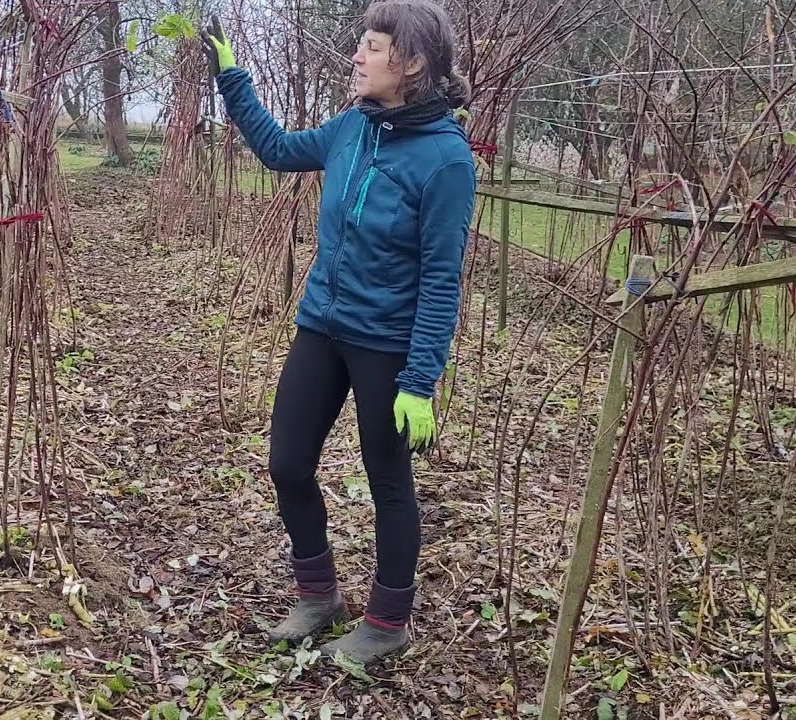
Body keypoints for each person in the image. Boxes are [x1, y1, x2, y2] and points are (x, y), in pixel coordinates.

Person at [201, 0, 476, 664]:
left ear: (411, 64)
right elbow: (276, 150)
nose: (357, 55)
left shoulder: (446, 162)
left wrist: (419, 382)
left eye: (373, 46)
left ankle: (387, 622)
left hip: (387, 345)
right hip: (323, 325)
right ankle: (318, 595)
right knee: (287, 462)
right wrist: (233, 79)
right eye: (361, 43)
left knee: (388, 482)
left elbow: (443, 280)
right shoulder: (353, 126)